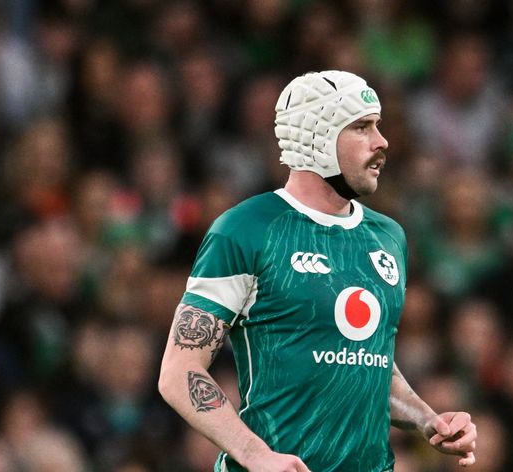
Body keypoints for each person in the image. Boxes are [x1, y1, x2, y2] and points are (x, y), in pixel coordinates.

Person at [158, 70, 477, 471]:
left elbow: (367, 361)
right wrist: (257, 456)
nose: (382, 142)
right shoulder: (247, 228)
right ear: (316, 138)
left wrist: (428, 419)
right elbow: (178, 371)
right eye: (362, 127)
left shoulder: (388, 237)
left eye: (378, 126)